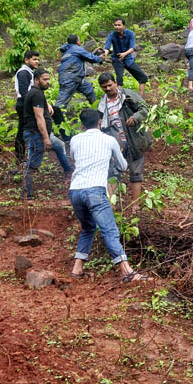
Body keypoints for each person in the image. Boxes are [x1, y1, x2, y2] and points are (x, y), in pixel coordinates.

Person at [68, 108, 151, 283]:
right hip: (95, 191)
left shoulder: (75, 140)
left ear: (82, 124)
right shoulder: (109, 140)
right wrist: (113, 157)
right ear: (99, 122)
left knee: (88, 228)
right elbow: (122, 166)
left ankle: (77, 269)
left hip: (75, 191)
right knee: (110, 230)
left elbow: (74, 159)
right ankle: (127, 271)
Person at [97, 72, 150, 216]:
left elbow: (145, 109)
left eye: (109, 85)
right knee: (112, 172)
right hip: (116, 143)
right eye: (104, 87)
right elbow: (101, 125)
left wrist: (136, 117)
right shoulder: (102, 104)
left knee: (136, 172)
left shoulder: (127, 96)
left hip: (135, 140)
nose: (107, 89)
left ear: (115, 83)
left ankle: (135, 205)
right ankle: (111, 205)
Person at [23, 68, 73, 200]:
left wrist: (47, 104)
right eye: (45, 80)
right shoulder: (36, 94)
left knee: (60, 145)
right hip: (37, 134)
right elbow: (39, 118)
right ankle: (27, 195)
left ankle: (68, 172)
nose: (48, 82)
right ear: (36, 80)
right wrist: (45, 138)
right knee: (33, 165)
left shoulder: (36, 93)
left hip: (40, 132)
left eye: (48, 79)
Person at [55, 34, 104, 109]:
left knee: (88, 88)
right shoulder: (76, 48)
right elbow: (91, 58)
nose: (80, 41)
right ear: (77, 41)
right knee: (62, 100)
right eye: (79, 39)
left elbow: (84, 56)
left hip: (75, 77)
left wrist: (94, 53)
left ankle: (97, 109)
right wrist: (100, 58)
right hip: (70, 78)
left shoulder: (69, 49)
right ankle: (55, 117)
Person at [103, 18, 149, 97]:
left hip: (128, 59)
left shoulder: (130, 33)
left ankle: (141, 99)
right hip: (117, 60)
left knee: (143, 77)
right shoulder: (112, 35)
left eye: (119, 25)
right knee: (119, 80)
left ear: (124, 26)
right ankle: (118, 99)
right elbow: (107, 47)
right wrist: (105, 54)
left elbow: (132, 47)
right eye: (115, 25)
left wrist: (124, 54)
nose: (117, 27)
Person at [13, 50, 40, 164]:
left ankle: (27, 156)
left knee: (27, 129)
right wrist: (32, 105)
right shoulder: (23, 72)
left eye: (38, 59)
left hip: (26, 103)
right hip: (24, 104)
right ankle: (20, 157)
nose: (37, 61)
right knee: (23, 130)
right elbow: (24, 92)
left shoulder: (30, 72)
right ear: (26, 60)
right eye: (34, 59)